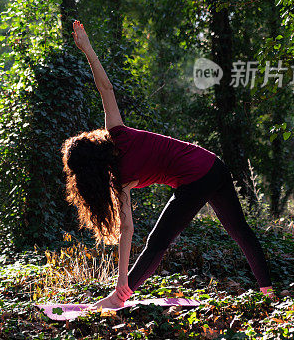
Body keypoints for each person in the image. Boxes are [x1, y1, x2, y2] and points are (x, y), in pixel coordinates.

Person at [63, 20, 274, 309]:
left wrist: (121, 280)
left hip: (196, 177)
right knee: (239, 230)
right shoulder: (116, 132)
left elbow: (127, 229)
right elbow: (106, 89)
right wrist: (86, 47)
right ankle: (270, 292)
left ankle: (118, 298)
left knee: (158, 242)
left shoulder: (120, 175)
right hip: (213, 165)